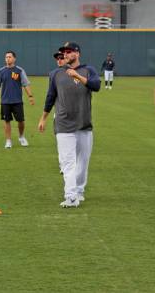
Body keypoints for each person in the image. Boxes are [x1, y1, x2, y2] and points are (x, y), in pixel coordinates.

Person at [38, 41, 101, 208]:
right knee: (67, 162)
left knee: (83, 162)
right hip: (64, 124)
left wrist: (78, 76)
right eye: (64, 52)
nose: (66, 54)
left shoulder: (89, 70)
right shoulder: (55, 74)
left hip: (84, 124)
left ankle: (79, 191)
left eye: (69, 51)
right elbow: (50, 97)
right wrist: (43, 118)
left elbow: (96, 86)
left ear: (77, 53)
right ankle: (71, 195)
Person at [0, 50, 34, 148]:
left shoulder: (19, 71)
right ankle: (8, 141)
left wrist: (30, 96)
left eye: (10, 57)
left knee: (21, 121)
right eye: (6, 57)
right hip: (5, 101)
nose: (8, 59)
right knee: (7, 121)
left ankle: (21, 137)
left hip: (17, 101)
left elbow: (25, 84)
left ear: (14, 58)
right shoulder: (1, 71)